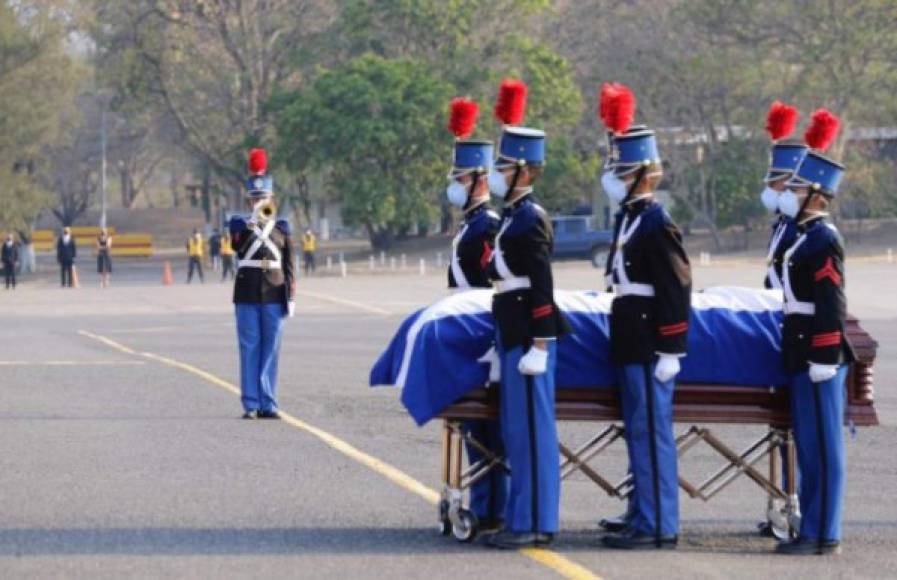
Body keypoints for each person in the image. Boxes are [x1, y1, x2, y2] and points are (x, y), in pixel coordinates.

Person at [599, 84, 691, 550]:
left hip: (650, 341)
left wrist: (672, 347)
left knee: (653, 432)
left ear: (641, 175)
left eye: (620, 170)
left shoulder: (657, 222)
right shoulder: (630, 217)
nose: (611, 178)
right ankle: (642, 512)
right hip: (629, 336)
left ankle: (658, 524)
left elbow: (676, 286)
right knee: (637, 430)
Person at [485, 114, 571, 548]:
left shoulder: (530, 218)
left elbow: (541, 285)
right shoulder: (512, 216)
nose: (496, 175)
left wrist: (541, 342)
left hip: (528, 332)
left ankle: (536, 521)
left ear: (523, 171)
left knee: (533, 433)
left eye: (503, 168)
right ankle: (521, 517)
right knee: (518, 431)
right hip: (512, 327)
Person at [775, 109, 854, 556]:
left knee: (824, 448)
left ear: (817, 196)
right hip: (801, 349)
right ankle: (812, 528)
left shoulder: (824, 239)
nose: (790, 193)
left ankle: (824, 533)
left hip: (818, 354)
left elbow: (831, 303)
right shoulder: (804, 237)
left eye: (798, 188)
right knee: (809, 444)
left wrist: (825, 355)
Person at [444, 97, 508, 535]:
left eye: (461, 176)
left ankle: (493, 508)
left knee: (488, 427)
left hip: (482, 328)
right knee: (474, 426)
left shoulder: (487, 225)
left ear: (480, 180)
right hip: (465, 326)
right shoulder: (471, 224)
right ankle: (484, 504)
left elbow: (491, 283)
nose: (455, 184)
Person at [758, 100, 808, 538]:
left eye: (776, 182)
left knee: (793, 426)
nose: (771, 189)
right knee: (782, 428)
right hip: (779, 328)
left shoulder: (799, 231)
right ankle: (782, 495)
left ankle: (793, 499)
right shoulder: (781, 225)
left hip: (796, 330)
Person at [230, 148, 296, 420]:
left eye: (264, 197)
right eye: (255, 198)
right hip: (247, 293)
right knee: (250, 347)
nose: (260, 202)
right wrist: (252, 222)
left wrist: (291, 295)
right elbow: (237, 248)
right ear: (249, 200)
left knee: (271, 348)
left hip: (274, 292)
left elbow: (290, 264)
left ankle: (268, 402)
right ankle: (251, 403)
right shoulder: (238, 224)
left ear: (272, 199)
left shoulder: (282, 226)